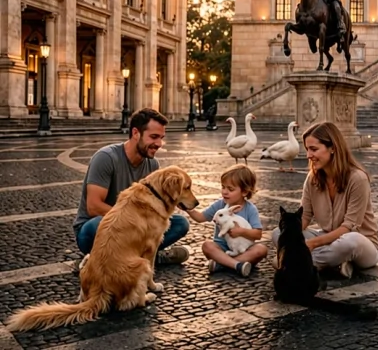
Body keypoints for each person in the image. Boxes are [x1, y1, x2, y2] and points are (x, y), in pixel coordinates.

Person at [73, 108, 190, 269]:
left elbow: (157, 207)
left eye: (161, 138)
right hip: (96, 229)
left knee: (180, 223)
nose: (159, 144)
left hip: (136, 230)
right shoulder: (106, 158)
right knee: (96, 225)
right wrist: (136, 221)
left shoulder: (152, 164)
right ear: (136, 133)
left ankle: (134, 258)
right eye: (154, 137)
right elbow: (94, 207)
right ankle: (148, 257)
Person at [271, 121, 378, 279]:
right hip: (328, 239)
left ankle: (296, 264)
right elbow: (305, 217)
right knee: (278, 233)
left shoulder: (358, 179)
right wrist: (293, 235)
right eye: (307, 149)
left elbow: (349, 227)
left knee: (350, 241)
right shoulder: (312, 178)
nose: (308, 155)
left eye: (314, 149)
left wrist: (312, 244)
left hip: (361, 243)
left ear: (333, 148)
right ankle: (334, 265)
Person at [186, 164, 268, 277]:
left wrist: (241, 231)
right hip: (222, 248)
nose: (224, 192)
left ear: (244, 192)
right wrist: (187, 208)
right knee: (207, 246)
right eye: (223, 187)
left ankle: (223, 264)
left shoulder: (250, 209)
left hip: (243, 249)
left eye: (230, 189)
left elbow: (257, 234)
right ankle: (237, 265)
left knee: (261, 250)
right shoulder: (220, 204)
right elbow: (200, 218)